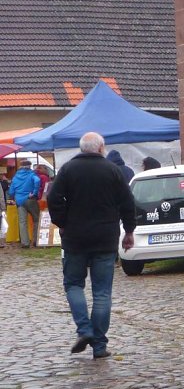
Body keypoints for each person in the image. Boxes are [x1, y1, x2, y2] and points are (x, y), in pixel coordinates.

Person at [47, 132, 136, 359]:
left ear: (82, 148)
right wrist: (129, 231)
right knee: (102, 293)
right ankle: (99, 346)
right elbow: (128, 203)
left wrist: (63, 222)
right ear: (101, 147)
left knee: (74, 285)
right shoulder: (113, 171)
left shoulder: (67, 170)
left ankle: (84, 329)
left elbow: (53, 198)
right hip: (105, 238)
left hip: (75, 239)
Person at [8, 159, 41, 248]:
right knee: (36, 219)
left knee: (22, 222)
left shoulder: (15, 176)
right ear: (29, 166)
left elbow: (11, 190)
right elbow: (37, 181)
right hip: (30, 199)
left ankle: (25, 243)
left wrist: (12, 197)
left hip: (19, 201)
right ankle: (36, 241)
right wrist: (34, 192)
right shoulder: (31, 174)